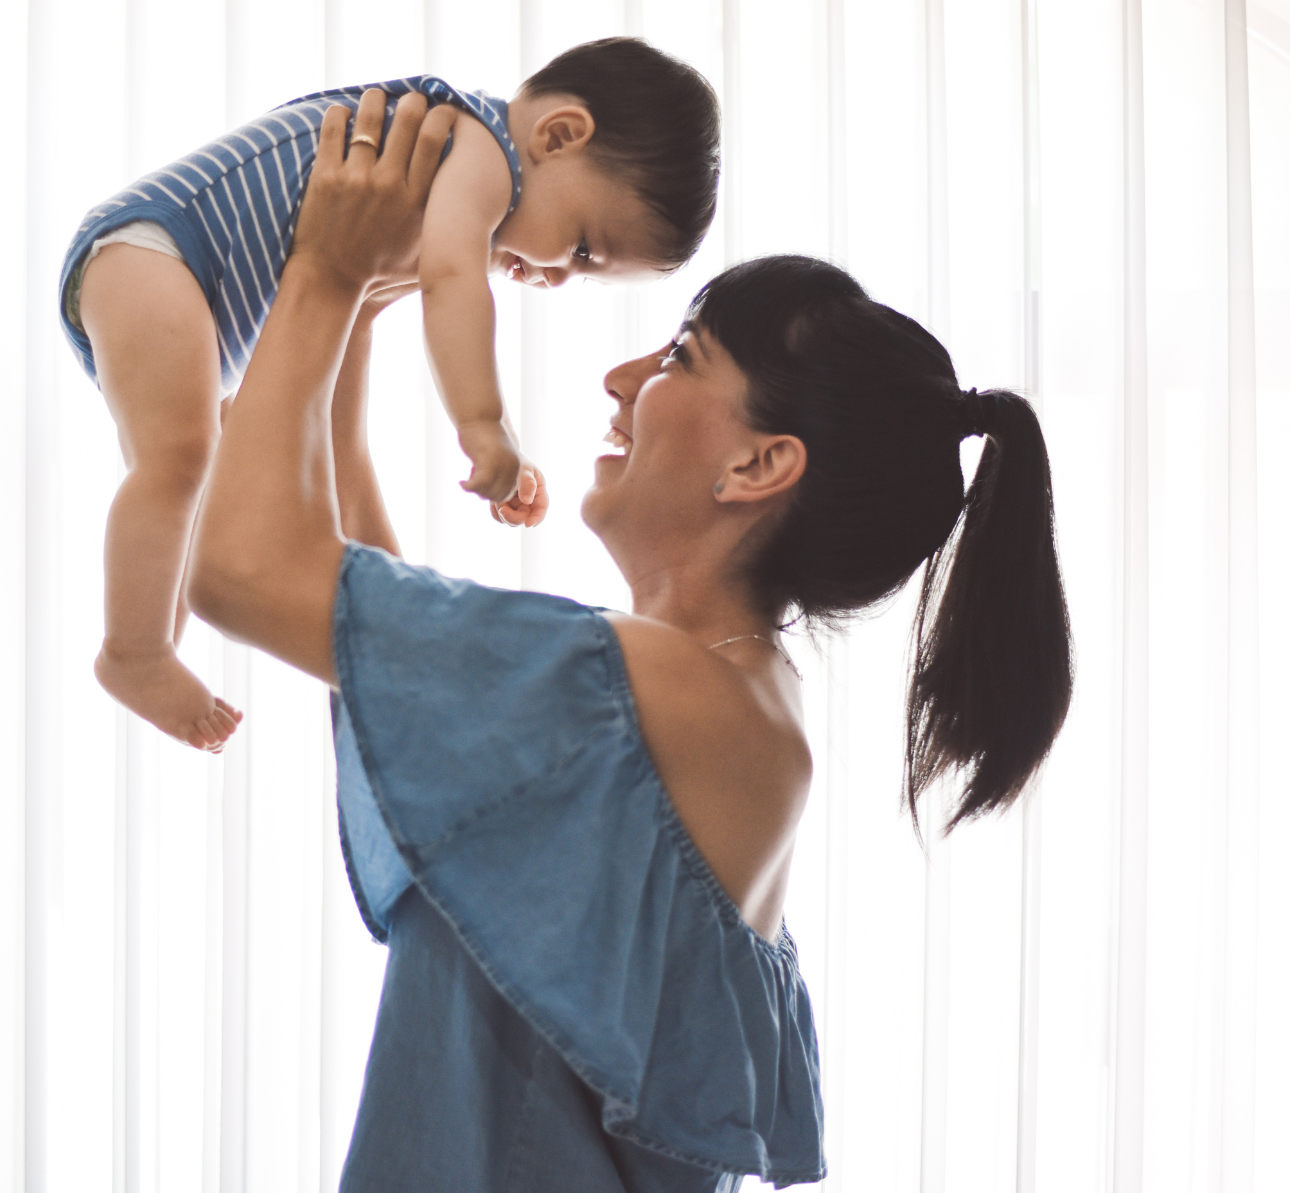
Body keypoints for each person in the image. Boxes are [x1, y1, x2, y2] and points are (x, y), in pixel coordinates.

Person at [189, 92, 1073, 1190]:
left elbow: (236, 574)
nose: (621, 380)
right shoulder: (728, 700)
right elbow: (366, 612)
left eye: (681, 358)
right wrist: (359, 305)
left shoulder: (649, 691)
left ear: (758, 466)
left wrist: (320, 272)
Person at [62, 37, 721, 751]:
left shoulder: (421, 195)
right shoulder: (480, 149)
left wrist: (397, 605)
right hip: (156, 246)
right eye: (583, 247)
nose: (560, 275)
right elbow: (451, 282)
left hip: (184, 284)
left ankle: (147, 645)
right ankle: (135, 650)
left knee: (197, 465)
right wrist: (484, 425)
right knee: (179, 459)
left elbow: (341, 416)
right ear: (559, 136)